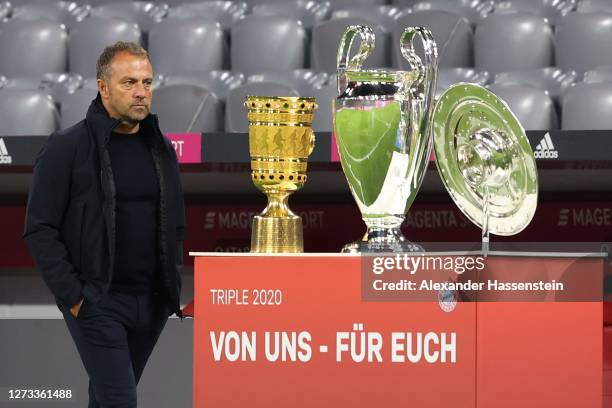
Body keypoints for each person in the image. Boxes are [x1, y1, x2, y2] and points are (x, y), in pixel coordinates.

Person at [24, 41, 185, 408]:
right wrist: (76, 298)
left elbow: (175, 223)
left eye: (147, 82)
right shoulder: (66, 147)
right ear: (103, 87)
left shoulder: (162, 148)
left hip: (152, 304)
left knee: (106, 398)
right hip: (98, 302)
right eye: (129, 82)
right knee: (119, 400)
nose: (141, 92)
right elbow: (39, 228)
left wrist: (169, 287)